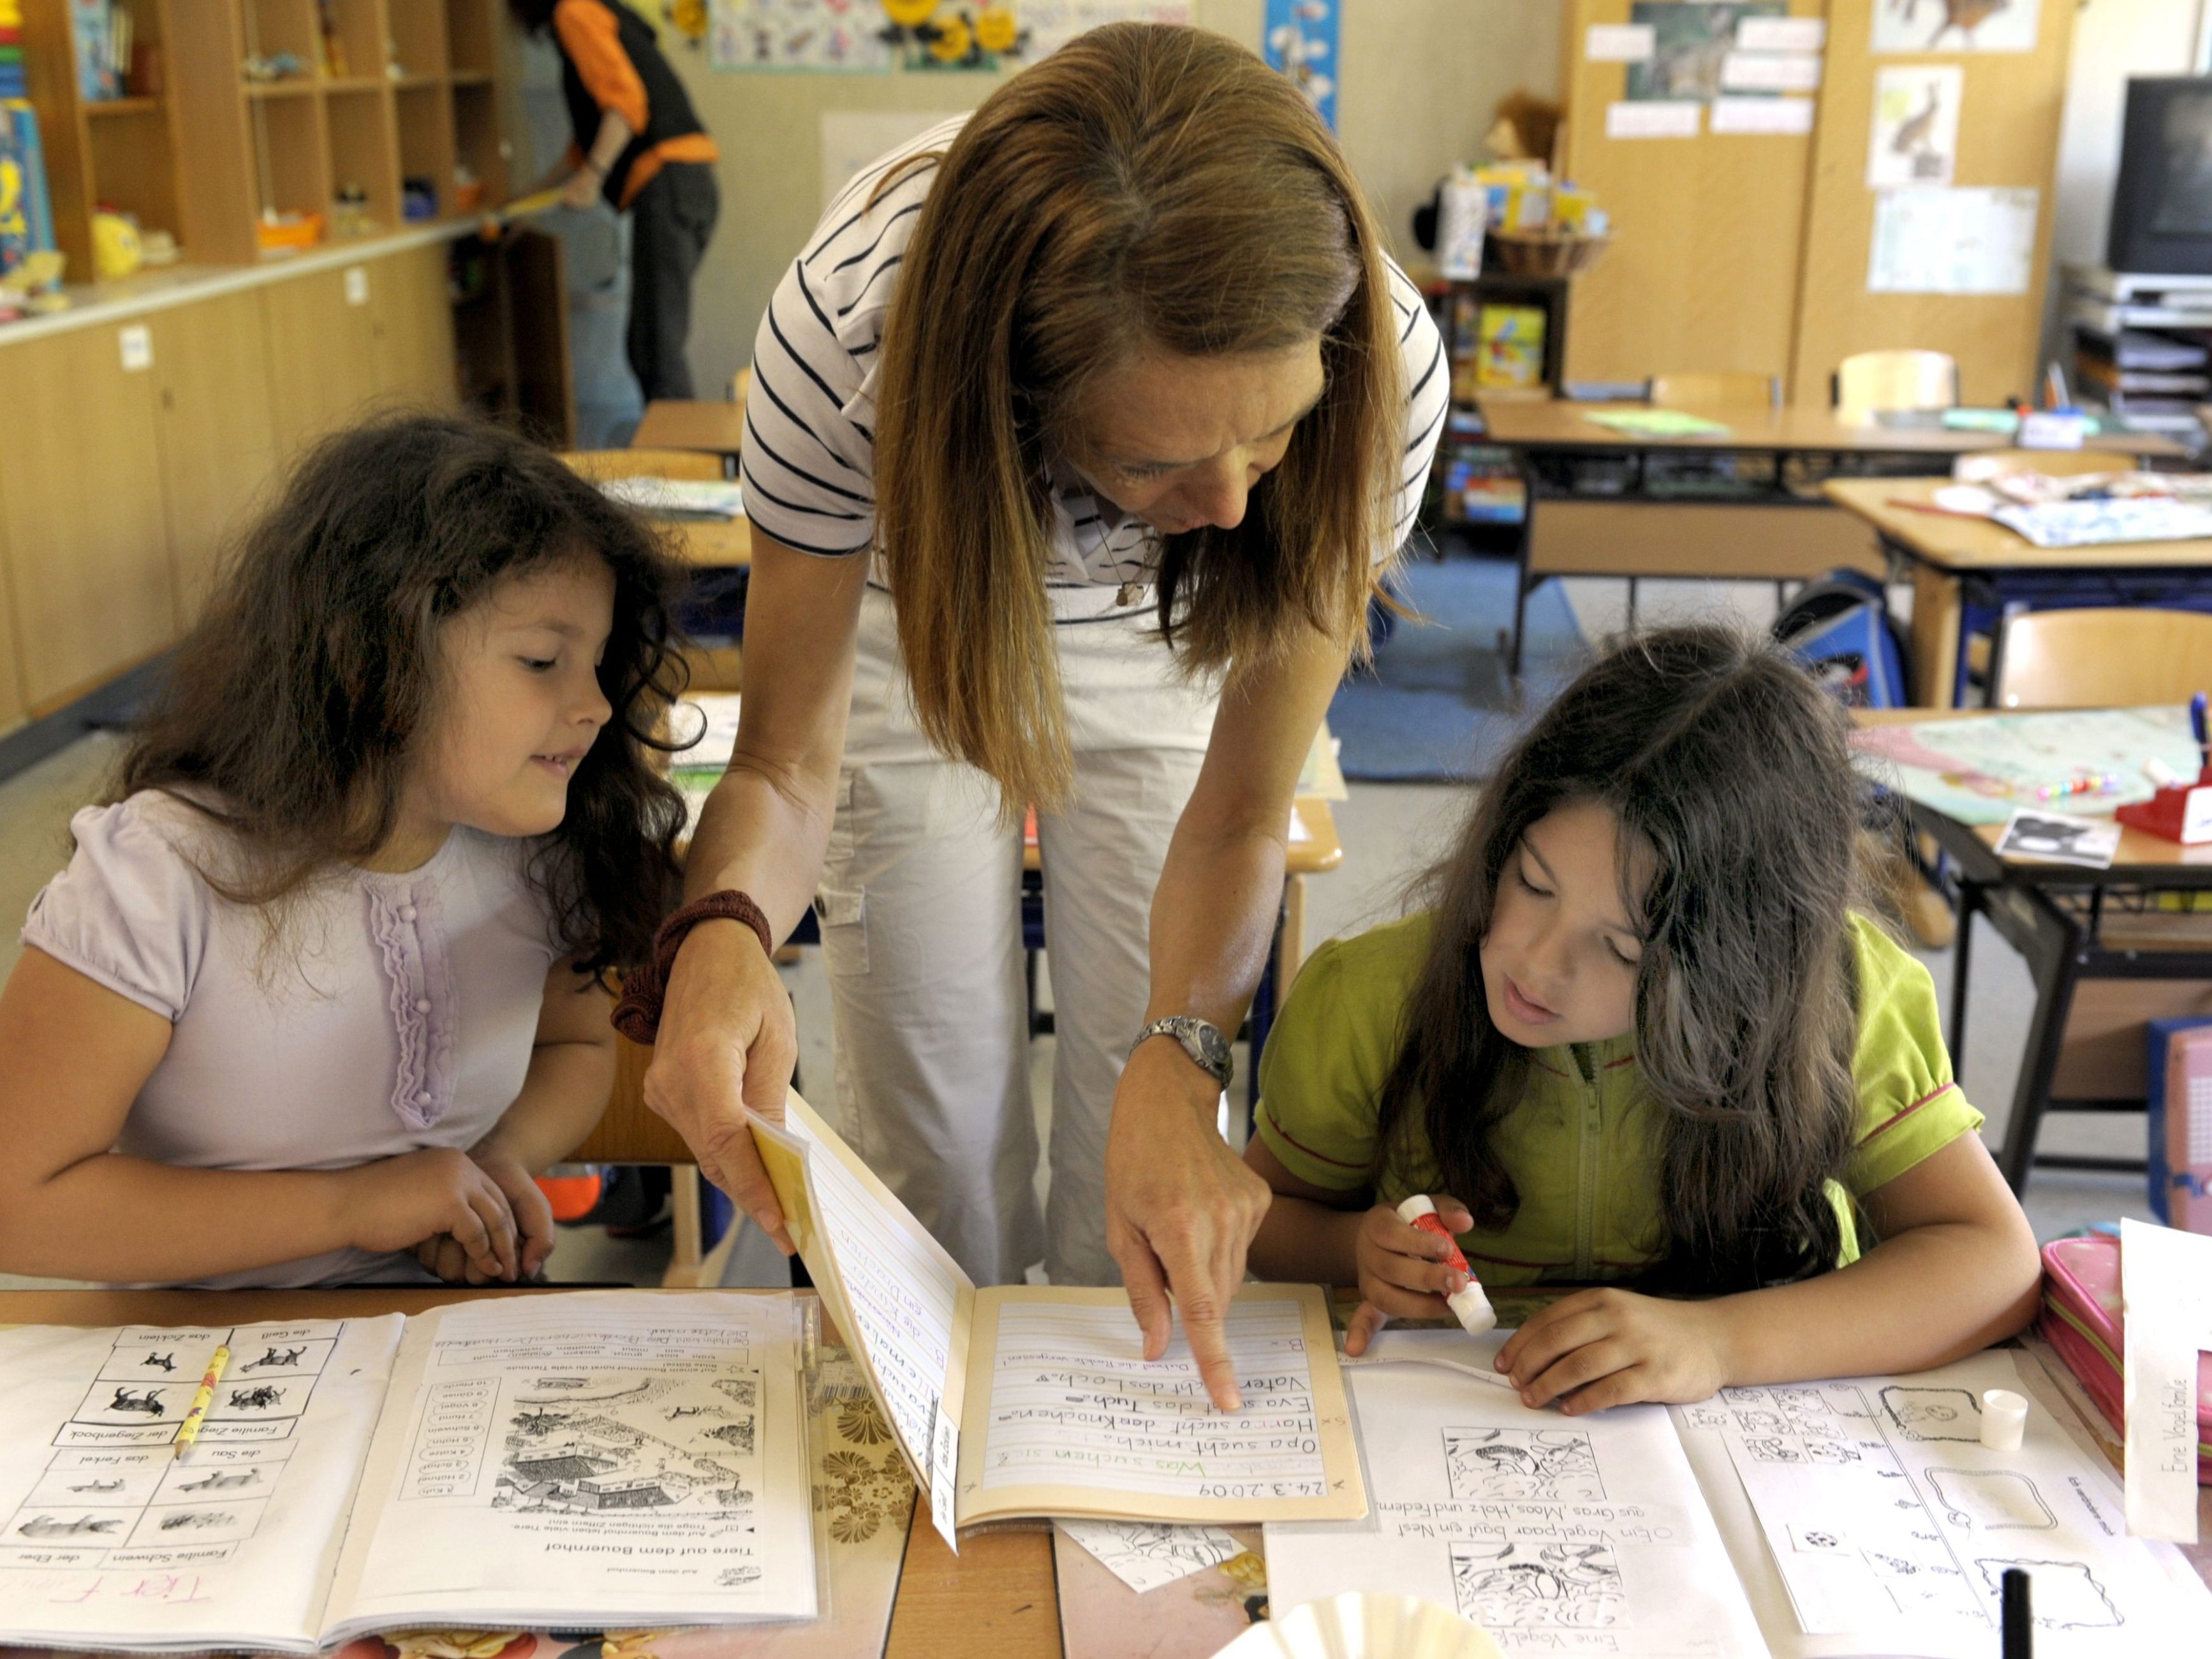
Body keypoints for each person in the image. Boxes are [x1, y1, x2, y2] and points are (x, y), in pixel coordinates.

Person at [622, 24, 1447, 1410]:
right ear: (1017, 396)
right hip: (922, 592)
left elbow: (1243, 809)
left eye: (1277, 430)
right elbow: (779, 758)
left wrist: (1185, 1060)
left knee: (1153, 1089)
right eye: (1158, 452)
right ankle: (951, 1441)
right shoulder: (854, 335)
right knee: (929, 1106)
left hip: (1176, 626)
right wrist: (719, 933)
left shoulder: (1386, 359)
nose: (1242, 498)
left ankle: (1098, 1429)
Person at [1244, 627, 2043, 1413]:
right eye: (1532, 882)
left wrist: (1719, 1342)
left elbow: (1995, 1264)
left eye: (1623, 949)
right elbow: (1264, 1223)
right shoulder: (1374, 992)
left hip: (1739, 1431)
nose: (1536, 962)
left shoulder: (1839, 994)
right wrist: (1357, 1250)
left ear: (1742, 970)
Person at [0, 415, 688, 1288]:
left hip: (447, 1343)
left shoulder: (543, 850)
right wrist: (353, 1207)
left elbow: (576, 1052)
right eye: (543, 659)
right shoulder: (160, 874)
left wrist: (492, 1165)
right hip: (208, 1369)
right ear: (370, 658)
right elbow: (17, 1206)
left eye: (597, 663)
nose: (593, 704)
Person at [511, 0, 719, 401]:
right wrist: (527, 199)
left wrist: (593, 177)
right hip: (683, 184)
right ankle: (680, 456)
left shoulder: (575, 12)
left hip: (670, 182)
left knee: (655, 352)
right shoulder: (593, 11)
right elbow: (585, 146)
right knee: (648, 345)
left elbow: (625, 105)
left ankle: (682, 461)